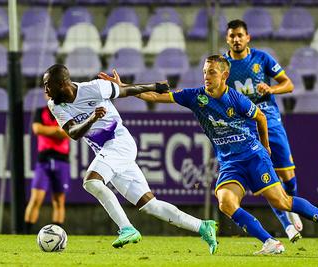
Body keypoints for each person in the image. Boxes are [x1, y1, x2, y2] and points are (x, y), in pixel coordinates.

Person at [99, 55, 318, 255]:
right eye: (205, 72)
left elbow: (260, 117)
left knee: (281, 202)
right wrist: (123, 89)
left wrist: (266, 146)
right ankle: (271, 242)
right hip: (230, 162)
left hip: (252, 156)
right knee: (225, 202)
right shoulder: (196, 97)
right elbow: (154, 95)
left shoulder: (236, 99)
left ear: (224, 75)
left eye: (212, 72)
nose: (207, 77)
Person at [44, 64, 218, 254]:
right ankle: (202, 226)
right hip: (108, 152)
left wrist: (153, 86)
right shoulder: (55, 104)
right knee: (150, 205)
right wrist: (92, 119)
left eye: (48, 85)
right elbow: (73, 133)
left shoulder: (94, 88)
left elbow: (125, 91)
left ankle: (126, 229)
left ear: (62, 84)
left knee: (91, 181)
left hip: (120, 142)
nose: (46, 90)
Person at [224, 19, 303, 241]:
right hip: (245, 127)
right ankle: (287, 226)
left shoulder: (262, 58)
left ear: (247, 37)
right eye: (232, 36)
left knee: (287, 175)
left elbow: (288, 84)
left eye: (240, 35)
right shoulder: (224, 66)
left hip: (270, 120)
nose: (236, 39)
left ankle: (292, 206)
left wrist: (271, 88)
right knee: (265, 178)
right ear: (227, 39)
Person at [24, 93, 70, 234]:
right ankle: (24, 233)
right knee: (36, 199)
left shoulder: (67, 111)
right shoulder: (40, 111)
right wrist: (57, 130)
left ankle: (57, 235)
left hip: (62, 160)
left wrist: (48, 131)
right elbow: (37, 129)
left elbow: (68, 133)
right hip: (43, 160)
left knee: (59, 201)